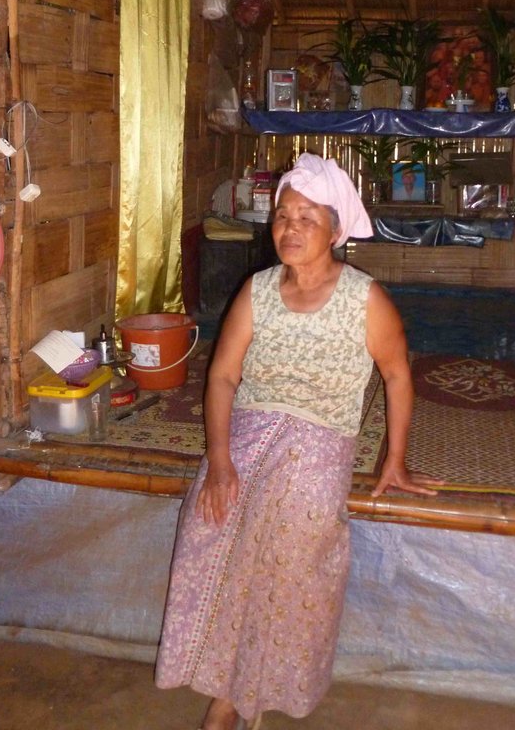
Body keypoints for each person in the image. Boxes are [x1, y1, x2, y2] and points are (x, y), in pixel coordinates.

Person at [156, 153, 440, 730]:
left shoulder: (365, 299)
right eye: (283, 216)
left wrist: (395, 459)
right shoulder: (256, 291)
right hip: (251, 430)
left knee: (288, 535)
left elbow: (397, 375)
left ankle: (248, 693)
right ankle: (225, 686)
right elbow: (223, 377)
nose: (290, 228)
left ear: (335, 231)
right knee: (210, 521)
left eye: (307, 218)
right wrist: (219, 461)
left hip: (320, 440)